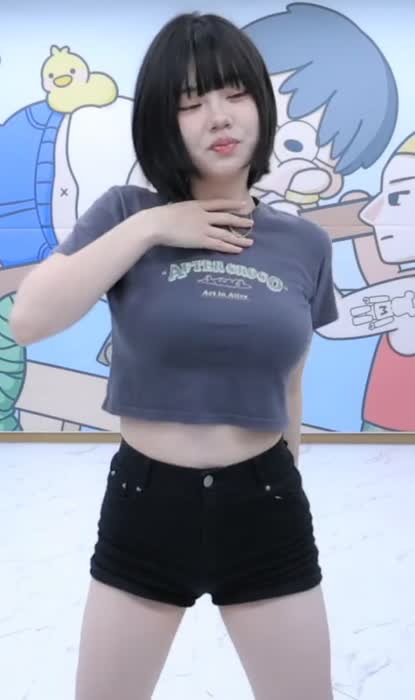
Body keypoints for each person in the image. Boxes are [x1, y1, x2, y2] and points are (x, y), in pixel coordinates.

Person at [10, 12, 338, 700]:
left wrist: (285, 478)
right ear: (165, 119)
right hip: (145, 505)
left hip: (264, 504)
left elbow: (291, 381)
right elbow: (30, 320)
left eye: (234, 93)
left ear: (260, 104)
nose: (217, 116)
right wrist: (155, 225)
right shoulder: (125, 213)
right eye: (191, 102)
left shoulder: (305, 244)